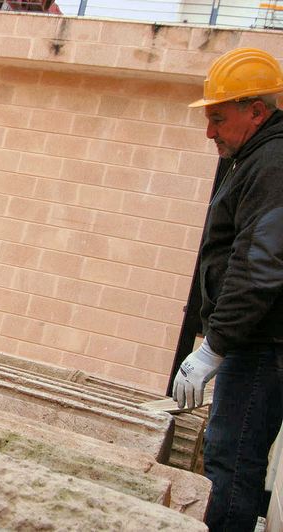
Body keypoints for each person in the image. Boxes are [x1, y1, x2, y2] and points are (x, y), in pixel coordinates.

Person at [172, 47, 283, 532]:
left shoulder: (273, 163)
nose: (209, 132)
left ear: (256, 111)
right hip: (257, 339)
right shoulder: (258, 157)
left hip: (262, 343)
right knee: (231, 458)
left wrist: (214, 346)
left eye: (218, 119)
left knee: (231, 462)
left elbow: (260, 265)